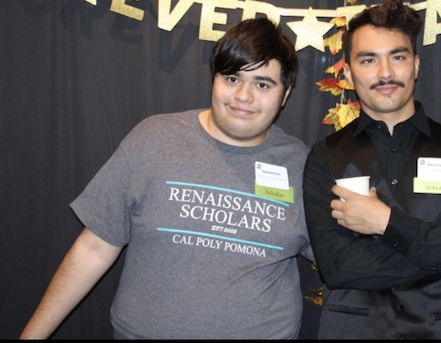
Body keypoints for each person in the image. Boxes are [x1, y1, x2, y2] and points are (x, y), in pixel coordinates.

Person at [20, 18, 313, 339]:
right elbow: (93, 248)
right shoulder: (153, 139)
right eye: (231, 78)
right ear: (214, 80)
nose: (243, 95)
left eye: (262, 84)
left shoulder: (305, 168)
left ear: (284, 95)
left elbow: (346, 261)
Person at [302, 0, 441, 339]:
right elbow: (338, 268)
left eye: (398, 57)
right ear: (349, 73)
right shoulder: (324, 157)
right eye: (369, 60)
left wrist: (386, 223)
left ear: (415, 65)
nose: (385, 73)